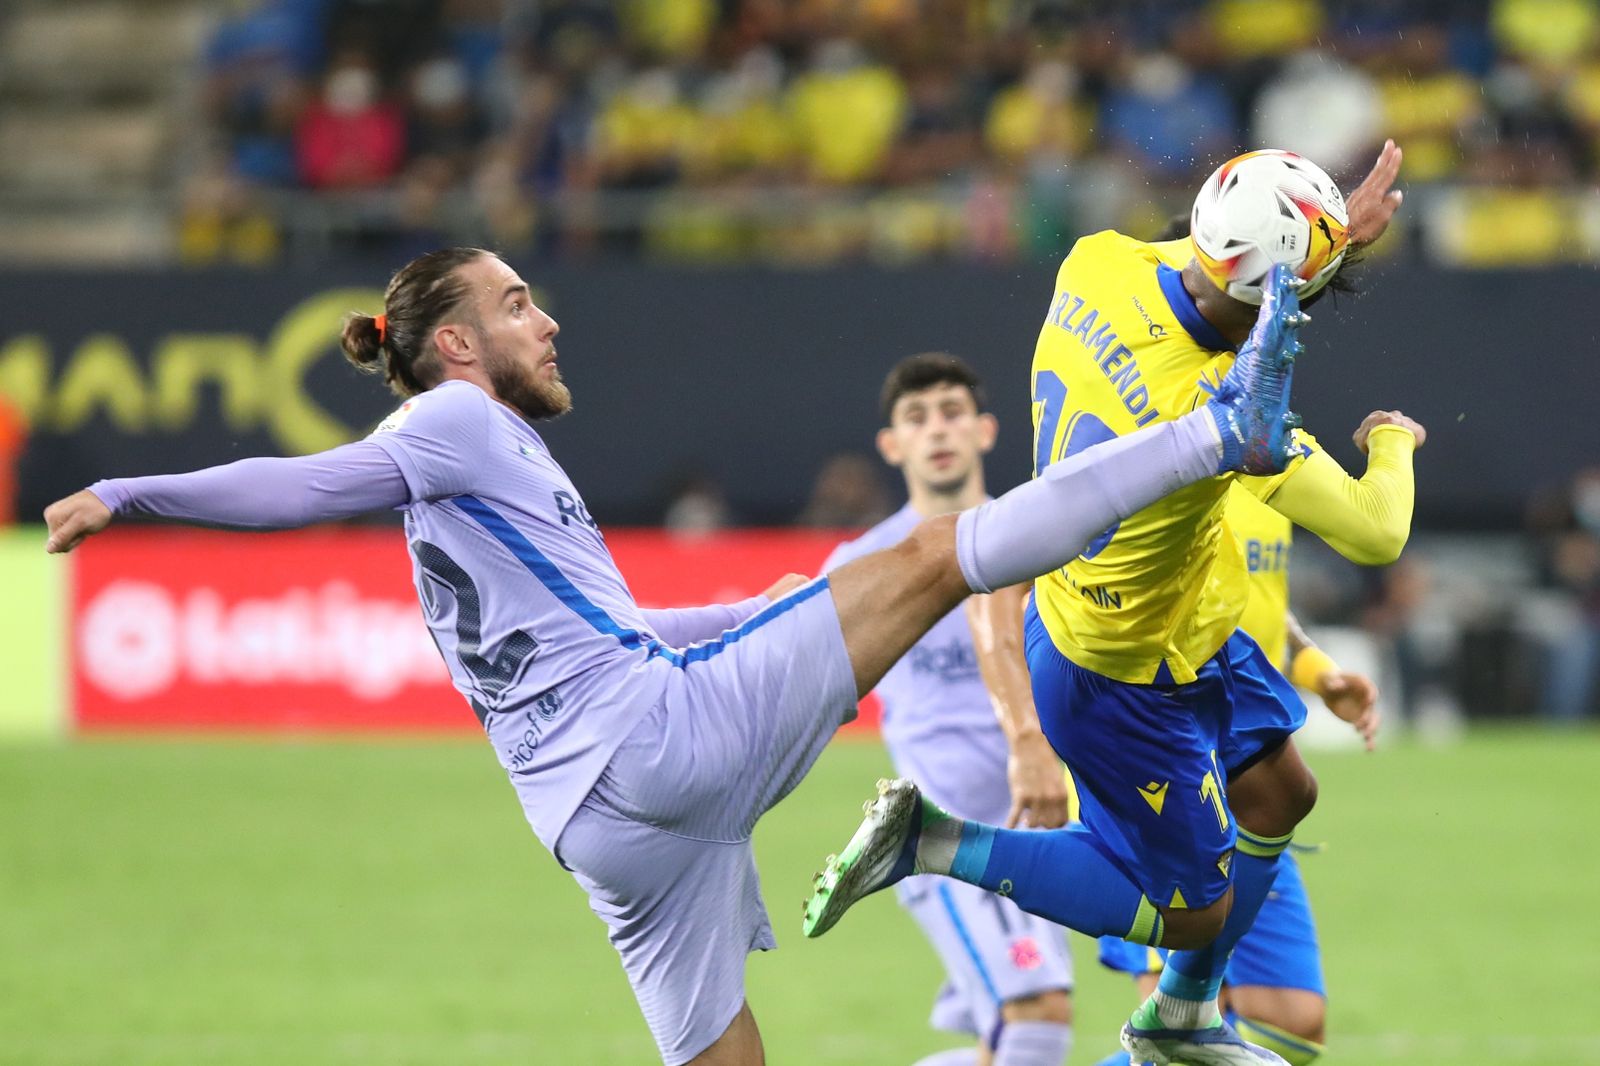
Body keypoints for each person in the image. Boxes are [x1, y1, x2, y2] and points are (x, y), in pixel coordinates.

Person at [43, 245, 1305, 1066]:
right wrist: (128, 493)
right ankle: (1215, 429)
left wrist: (752, 613)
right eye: (517, 302)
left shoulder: (477, 483)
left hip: (595, 824)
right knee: (937, 551)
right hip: (657, 745)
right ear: (456, 345)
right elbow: (306, 482)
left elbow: (606, 631)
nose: (548, 317)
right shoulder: (447, 424)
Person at [802, 144, 1417, 1066]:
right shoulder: (1226, 422)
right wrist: (1396, 444)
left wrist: (1322, 248)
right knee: (1191, 912)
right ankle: (934, 843)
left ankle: (1187, 1016)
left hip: (1164, 620)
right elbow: (1376, 531)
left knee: (1284, 791)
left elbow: (1222, 277)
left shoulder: (1094, 260)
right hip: (1124, 674)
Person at [1092, 470, 1394, 1066]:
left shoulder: (1277, 472)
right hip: (1161, 783)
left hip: (1247, 791)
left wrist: (1315, 670)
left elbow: (1254, 604)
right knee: (1174, 1032)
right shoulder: (1171, 465)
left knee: (1293, 1026)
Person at [824, 353, 1077, 1066]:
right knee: (1038, 1020)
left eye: (952, 412)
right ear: (892, 446)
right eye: (916, 417)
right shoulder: (862, 564)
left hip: (1047, 831)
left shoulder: (1035, 536)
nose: (937, 429)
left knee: (1009, 1041)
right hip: (950, 840)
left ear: (987, 430)